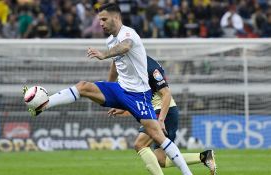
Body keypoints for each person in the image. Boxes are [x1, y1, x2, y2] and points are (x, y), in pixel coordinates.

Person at [24, 3, 192, 175]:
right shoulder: (110, 39)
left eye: (104, 19)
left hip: (139, 95)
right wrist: (109, 87)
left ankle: (187, 173)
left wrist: (104, 54)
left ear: (116, 17)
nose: (101, 23)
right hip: (120, 89)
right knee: (83, 86)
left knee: (157, 136)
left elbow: (125, 46)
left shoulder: (128, 34)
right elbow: (115, 64)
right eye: (99, 20)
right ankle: (44, 104)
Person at [108, 56, 217, 175]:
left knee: (140, 144)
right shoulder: (131, 67)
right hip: (154, 111)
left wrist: (161, 120)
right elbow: (142, 99)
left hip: (164, 111)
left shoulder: (151, 67)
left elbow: (166, 94)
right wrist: (124, 109)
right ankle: (204, 157)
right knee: (161, 160)